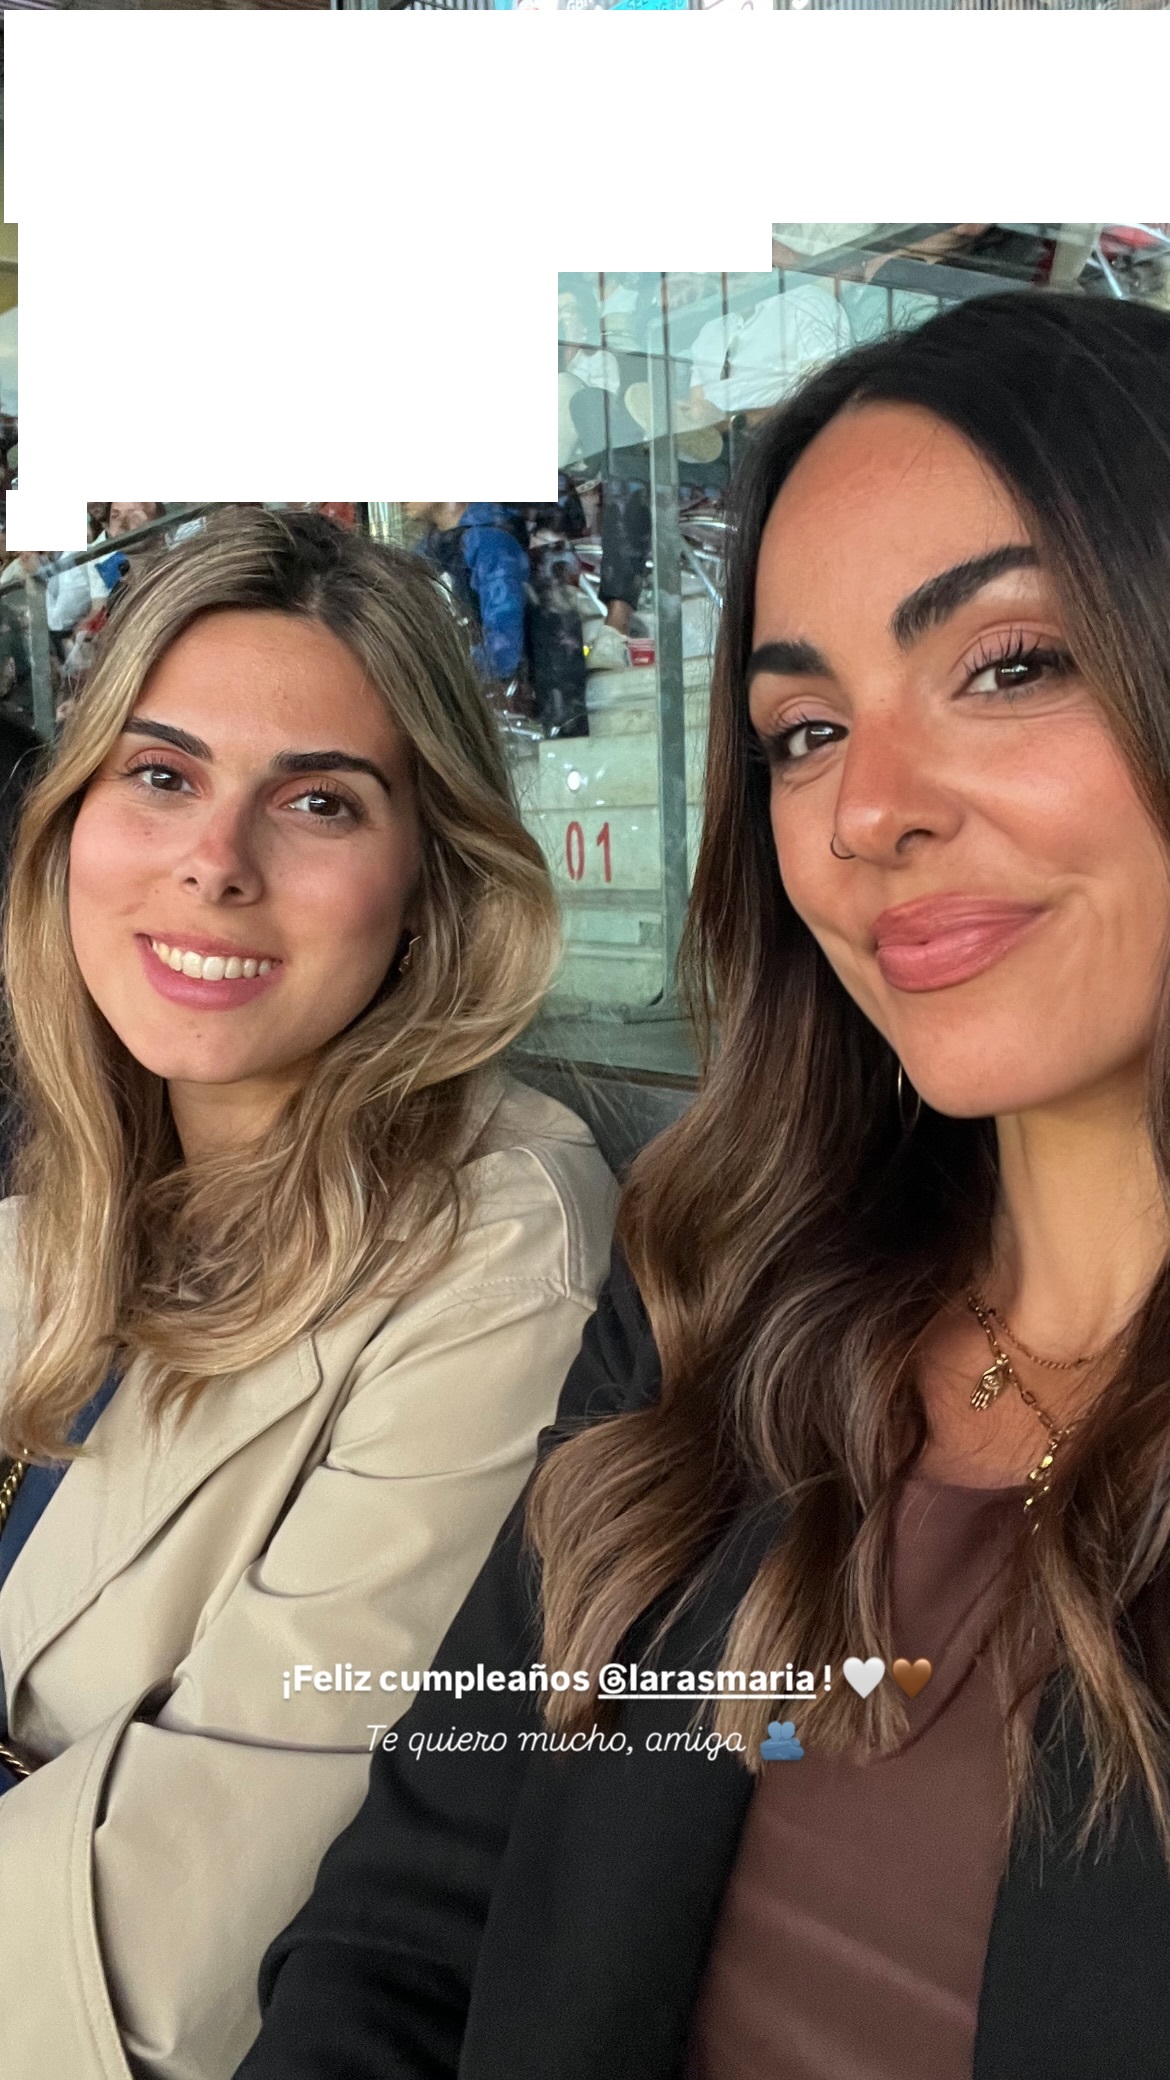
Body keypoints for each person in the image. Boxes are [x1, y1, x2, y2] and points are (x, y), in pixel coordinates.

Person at [240, 292, 1170, 2080]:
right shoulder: (714, 1293)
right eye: (801, 730)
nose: (863, 812)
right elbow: (406, 1922)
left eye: (1007, 664)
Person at [0, 507, 617, 2079]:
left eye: (319, 802)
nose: (214, 862)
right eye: (160, 776)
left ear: (432, 879)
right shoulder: (67, 1193)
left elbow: (184, 1949)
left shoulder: (497, 1240)